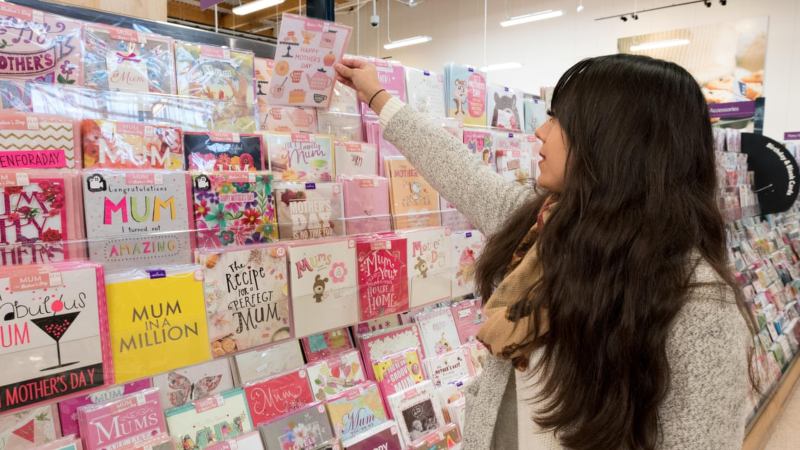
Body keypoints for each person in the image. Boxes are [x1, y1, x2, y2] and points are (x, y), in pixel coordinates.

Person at [335, 53, 755, 450]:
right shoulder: (545, 228)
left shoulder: (697, 302)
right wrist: (377, 96)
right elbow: (461, 171)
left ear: (613, 143)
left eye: (559, 119)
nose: (540, 131)